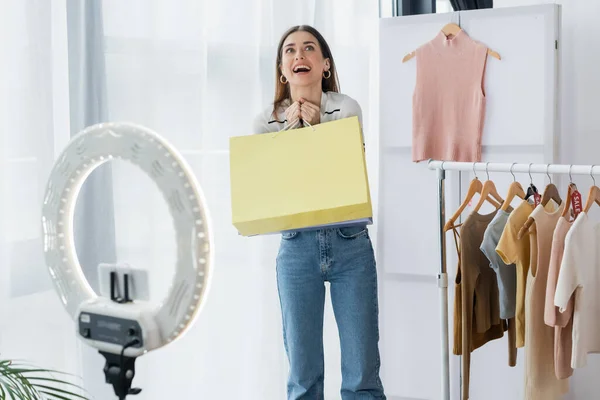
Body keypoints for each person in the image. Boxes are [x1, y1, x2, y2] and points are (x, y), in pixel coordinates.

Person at [253, 25, 386, 400]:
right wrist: (293, 130)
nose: (300, 56)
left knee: (362, 373)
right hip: (296, 248)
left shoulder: (346, 108)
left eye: (309, 48)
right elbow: (268, 189)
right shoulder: (265, 122)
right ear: (282, 70)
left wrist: (316, 127)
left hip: (350, 244)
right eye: (290, 51)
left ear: (324, 64)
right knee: (303, 377)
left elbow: (345, 175)